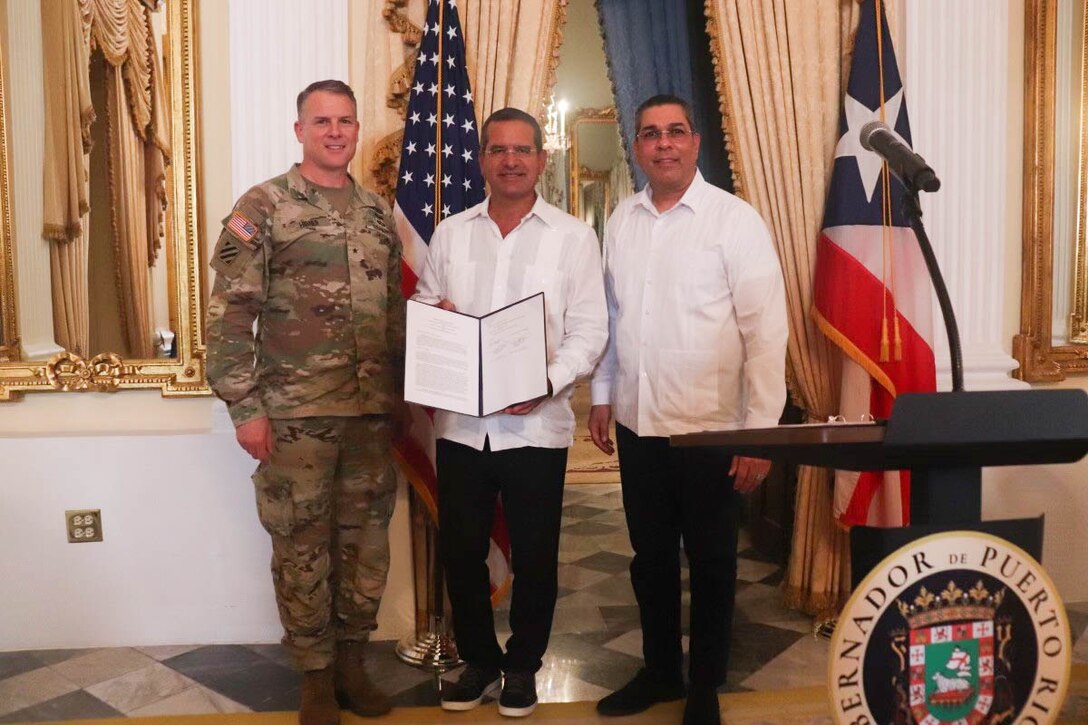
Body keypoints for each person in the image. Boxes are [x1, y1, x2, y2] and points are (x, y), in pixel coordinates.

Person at [205, 80, 405, 725]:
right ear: (299, 130)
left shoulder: (377, 214)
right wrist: (246, 408)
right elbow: (230, 316)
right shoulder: (262, 207)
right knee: (301, 547)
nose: (336, 132)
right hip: (294, 417)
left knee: (365, 548)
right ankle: (315, 677)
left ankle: (352, 664)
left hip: (371, 417)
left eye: (346, 120)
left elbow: (394, 318)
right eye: (322, 121)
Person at [588, 94, 788, 725]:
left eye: (675, 132)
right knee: (649, 562)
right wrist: (601, 395)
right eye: (651, 134)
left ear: (695, 142)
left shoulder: (735, 221)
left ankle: (704, 685)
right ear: (638, 146)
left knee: (711, 563)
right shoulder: (621, 220)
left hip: (711, 431)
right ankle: (658, 671)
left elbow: (765, 332)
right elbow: (611, 321)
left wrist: (761, 435)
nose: (664, 143)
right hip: (639, 424)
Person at [413, 107, 608, 718]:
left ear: (541, 159)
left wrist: (546, 384)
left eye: (523, 149)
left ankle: (523, 665)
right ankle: (479, 660)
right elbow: (422, 304)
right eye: (498, 150)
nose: (511, 160)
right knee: (463, 551)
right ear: (483, 160)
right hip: (462, 429)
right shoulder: (450, 233)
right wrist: (436, 315)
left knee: (535, 554)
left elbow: (590, 329)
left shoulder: (572, 237)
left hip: (535, 425)